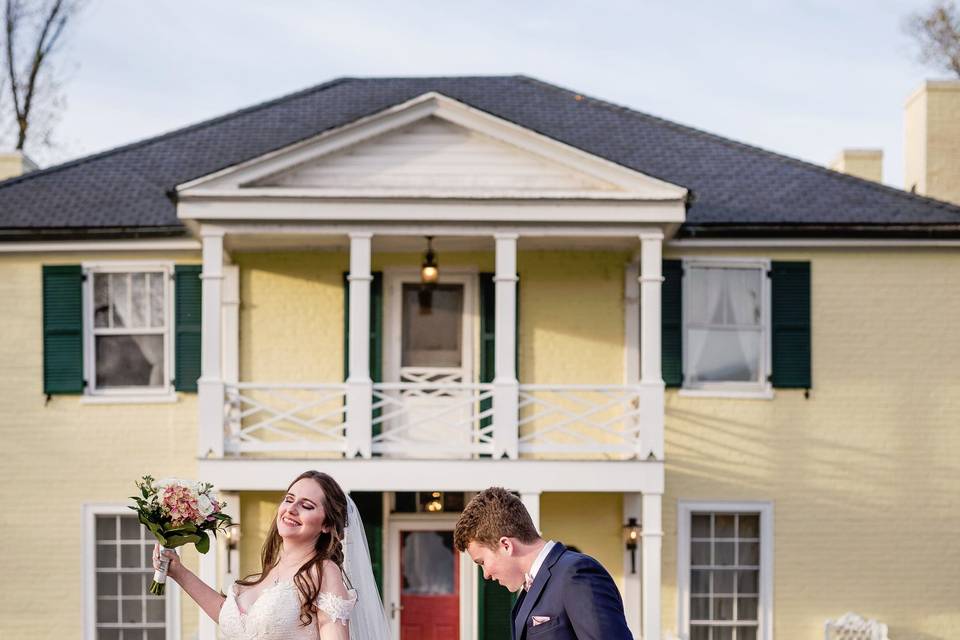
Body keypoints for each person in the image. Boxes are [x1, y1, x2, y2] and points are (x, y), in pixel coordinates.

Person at [153, 471, 390, 640]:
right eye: (289, 499)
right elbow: (233, 620)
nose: (291, 509)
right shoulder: (268, 574)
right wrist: (180, 573)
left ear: (326, 525)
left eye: (307, 505)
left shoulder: (323, 571)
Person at [454, 487, 632, 640]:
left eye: (482, 562)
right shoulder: (528, 591)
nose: (486, 574)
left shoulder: (576, 574)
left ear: (506, 545)